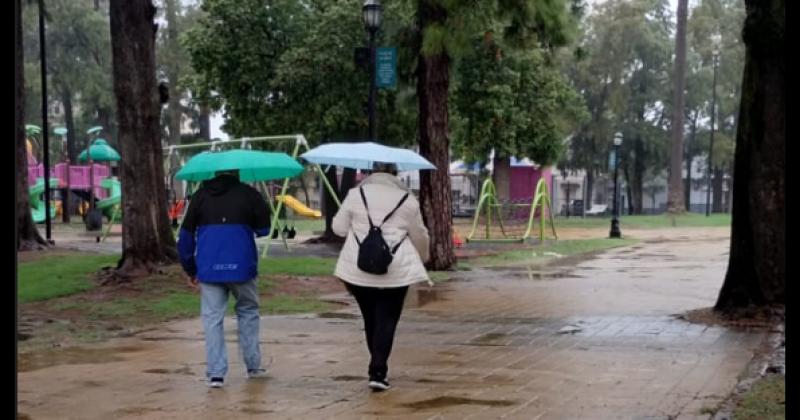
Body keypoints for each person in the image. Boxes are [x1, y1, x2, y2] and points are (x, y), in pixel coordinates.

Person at [332, 162, 430, 391]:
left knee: (370, 318)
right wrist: (423, 258)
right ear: (395, 174)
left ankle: (376, 367)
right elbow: (420, 235)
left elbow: (338, 228)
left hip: (358, 270)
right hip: (396, 270)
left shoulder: (356, 194)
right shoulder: (408, 200)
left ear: (371, 173)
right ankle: (378, 370)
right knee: (387, 319)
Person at [177, 169, 271, 388]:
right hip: (243, 267)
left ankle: (216, 373)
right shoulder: (249, 194)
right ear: (237, 172)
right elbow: (264, 230)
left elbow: (185, 238)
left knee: (212, 318)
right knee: (248, 311)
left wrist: (190, 269)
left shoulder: (200, 196)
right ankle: (253, 365)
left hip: (209, 268)